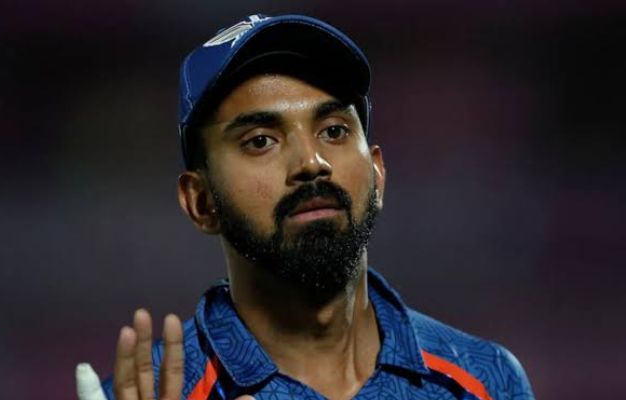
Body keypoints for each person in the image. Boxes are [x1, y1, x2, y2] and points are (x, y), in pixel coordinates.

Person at [75, 14, 535, 400]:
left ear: (377, 174)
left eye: (334, 131)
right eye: (260, 141)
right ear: (201, 201)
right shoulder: (149, 396)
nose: (311, 162)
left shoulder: (486, 380)